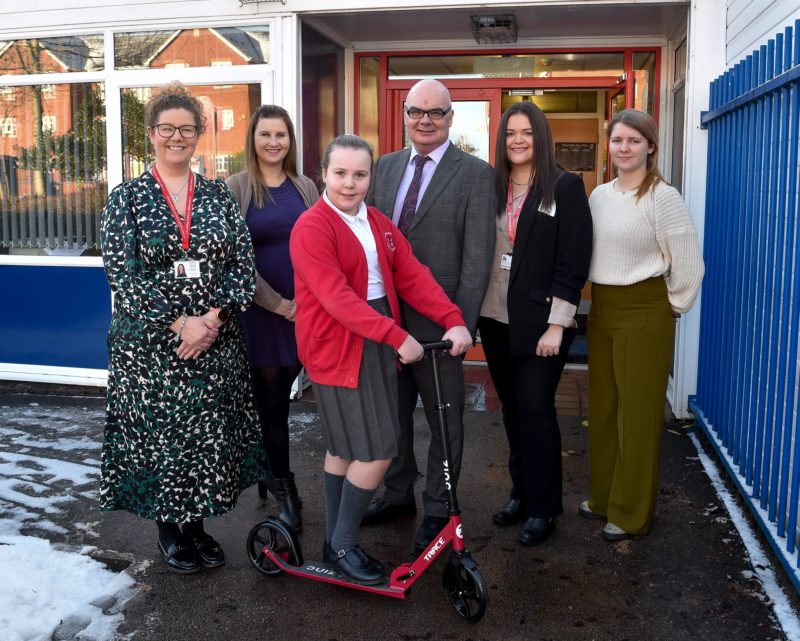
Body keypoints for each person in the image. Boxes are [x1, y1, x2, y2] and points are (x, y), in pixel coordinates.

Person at [289, 134, 472, 585]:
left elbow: (413, 276)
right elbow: (337, 299)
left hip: (371, 340)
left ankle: (335, 538)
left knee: (344, 447)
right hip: (336, 345)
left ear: (371, 176)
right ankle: (342, 544)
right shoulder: (312, 227)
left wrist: (453, 318)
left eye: (360, 174)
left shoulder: (378, 223)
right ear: (324, 175)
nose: (349, 184)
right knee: (377, 451)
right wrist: (397, 336)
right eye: (340, 173)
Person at [100, 82, 266, 574]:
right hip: (151, 350)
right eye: (168, 129)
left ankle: (196, 526)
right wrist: (180, 323)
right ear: (151, 134)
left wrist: (212, 320)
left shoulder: (217, 195)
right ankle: (169, 530)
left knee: (202, 440)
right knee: (163, 440)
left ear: (199, 135)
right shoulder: (126, 199)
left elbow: (242, 264)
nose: (178, 137)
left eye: (187, 129)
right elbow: (121, 275)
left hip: (214, 343)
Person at [364, 78, 496, 553]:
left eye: (435, 113)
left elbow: (477, 259)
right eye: (416, 111)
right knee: (391, 414)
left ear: (450, 119)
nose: (424, 120)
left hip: (440, 327)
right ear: (404, 113)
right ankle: (397, 493)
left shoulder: (477, 175)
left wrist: (461, 323)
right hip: (386, 321)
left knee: (445, 421)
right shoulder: (382, 168)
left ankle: (439, 508)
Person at [583, 108, 703, 541]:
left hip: (645, 310)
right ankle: (603, 498)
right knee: (604, 409)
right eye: (618, 140)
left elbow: (689, 262)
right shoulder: (599, 195)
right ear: (609, 145)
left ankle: (631, 513)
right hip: (604, 309)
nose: (625, 148)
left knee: (636, 417)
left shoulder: (662, 197)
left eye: (635, 140)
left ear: (650, 146)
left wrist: (673, 307)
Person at [478, 102, 593, 545]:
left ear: (540, 136)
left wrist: (558, 324)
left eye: (526, 132)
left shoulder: (563, 187)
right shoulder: (492, 185)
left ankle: (545, 508)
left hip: (543, 322)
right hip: (495, 318)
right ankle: (521, 493)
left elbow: (573, 260)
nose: (518, 140)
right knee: (511, 409)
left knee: (536, 408)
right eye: (510, 133)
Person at [226, 105, 318, 531]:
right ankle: (284, 486)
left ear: (290, 140)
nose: (273, 142)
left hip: (306, 312)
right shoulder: (236, 188)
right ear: (253, 139)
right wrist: (278, 303)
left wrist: (310, 300)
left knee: (287, 393)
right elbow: (234, 258)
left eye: (280, 134)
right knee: (274, 404)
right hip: (262, 314)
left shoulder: (305, 187)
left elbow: (322, 243)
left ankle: (270, 470)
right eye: (265, 134)